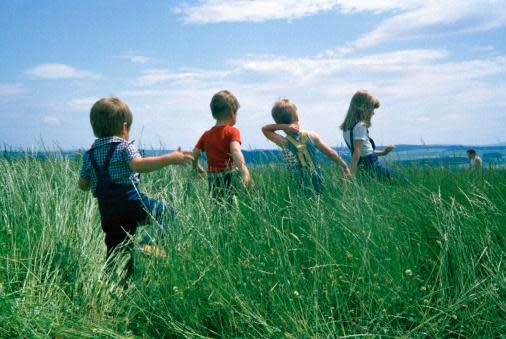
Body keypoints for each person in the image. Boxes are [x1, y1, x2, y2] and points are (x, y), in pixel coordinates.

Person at [78, 97, 193, 278]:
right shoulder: (124, 146)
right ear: (124, 128)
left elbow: (82, 185)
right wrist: (171, 158)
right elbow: (139, 165)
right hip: (131, 203)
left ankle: (112, 283)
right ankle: (149, 245)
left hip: (108, 213)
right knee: (168, 214)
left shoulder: (89, 156)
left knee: (117, 249)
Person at [262, 98, 350, 193]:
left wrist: (282, 126)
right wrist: (344, 166)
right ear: (297, 116)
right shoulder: (311, 136)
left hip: (296, 182)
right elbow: (331, 153)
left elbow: (265, 129)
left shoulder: (284, 142)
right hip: (316, 178)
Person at [193, 90, 251, 203]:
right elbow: (235, 150)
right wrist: (244, 171)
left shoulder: (206, 135)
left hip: (212, 178)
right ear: (232, 114)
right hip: (229, 176)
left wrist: (197, 167)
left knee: (217, 208)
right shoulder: (232, 132)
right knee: (233, 207)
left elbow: (194, 154)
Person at [340, 89, 397, 180]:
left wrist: (383, 153)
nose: (373, 113)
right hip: (372, 164)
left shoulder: (347, 128)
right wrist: (352, 173)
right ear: (363, 108)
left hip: (363, 166)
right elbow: (357, 151)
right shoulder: (361, 125)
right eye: (372, 109)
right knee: (404, 181)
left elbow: (363, 151)